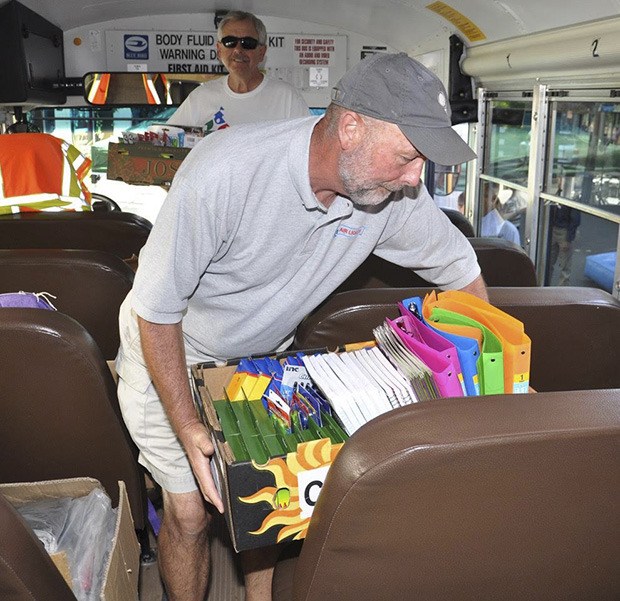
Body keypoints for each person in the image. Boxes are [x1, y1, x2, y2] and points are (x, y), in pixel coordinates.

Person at [116, 52, 488, 601]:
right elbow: (157, 309)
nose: (416, 179)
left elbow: (464, 272)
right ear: (352, 127)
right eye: (409, 157)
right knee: (192, 513)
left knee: (273, 502)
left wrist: (492, 381)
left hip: (261, 359)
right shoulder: (225, 171)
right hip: (173, 349)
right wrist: (189, 424)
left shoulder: (393, 197)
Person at [166, 11, 309, 131]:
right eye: (230, 42)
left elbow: (307, 149)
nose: (238, 50)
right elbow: (167, 139)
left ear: (261, 52)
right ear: (219, 50)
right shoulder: (201, 98)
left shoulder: (288, 98)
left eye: (248, 43)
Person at [548, 203, 580, 285]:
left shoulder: (570, 197)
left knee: (565, 265)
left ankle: (562, 290)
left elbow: (575, 219)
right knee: (548, 262)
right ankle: (545, 286)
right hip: (552, 228)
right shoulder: (555, 193)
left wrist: (568, 239)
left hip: (564, 230)